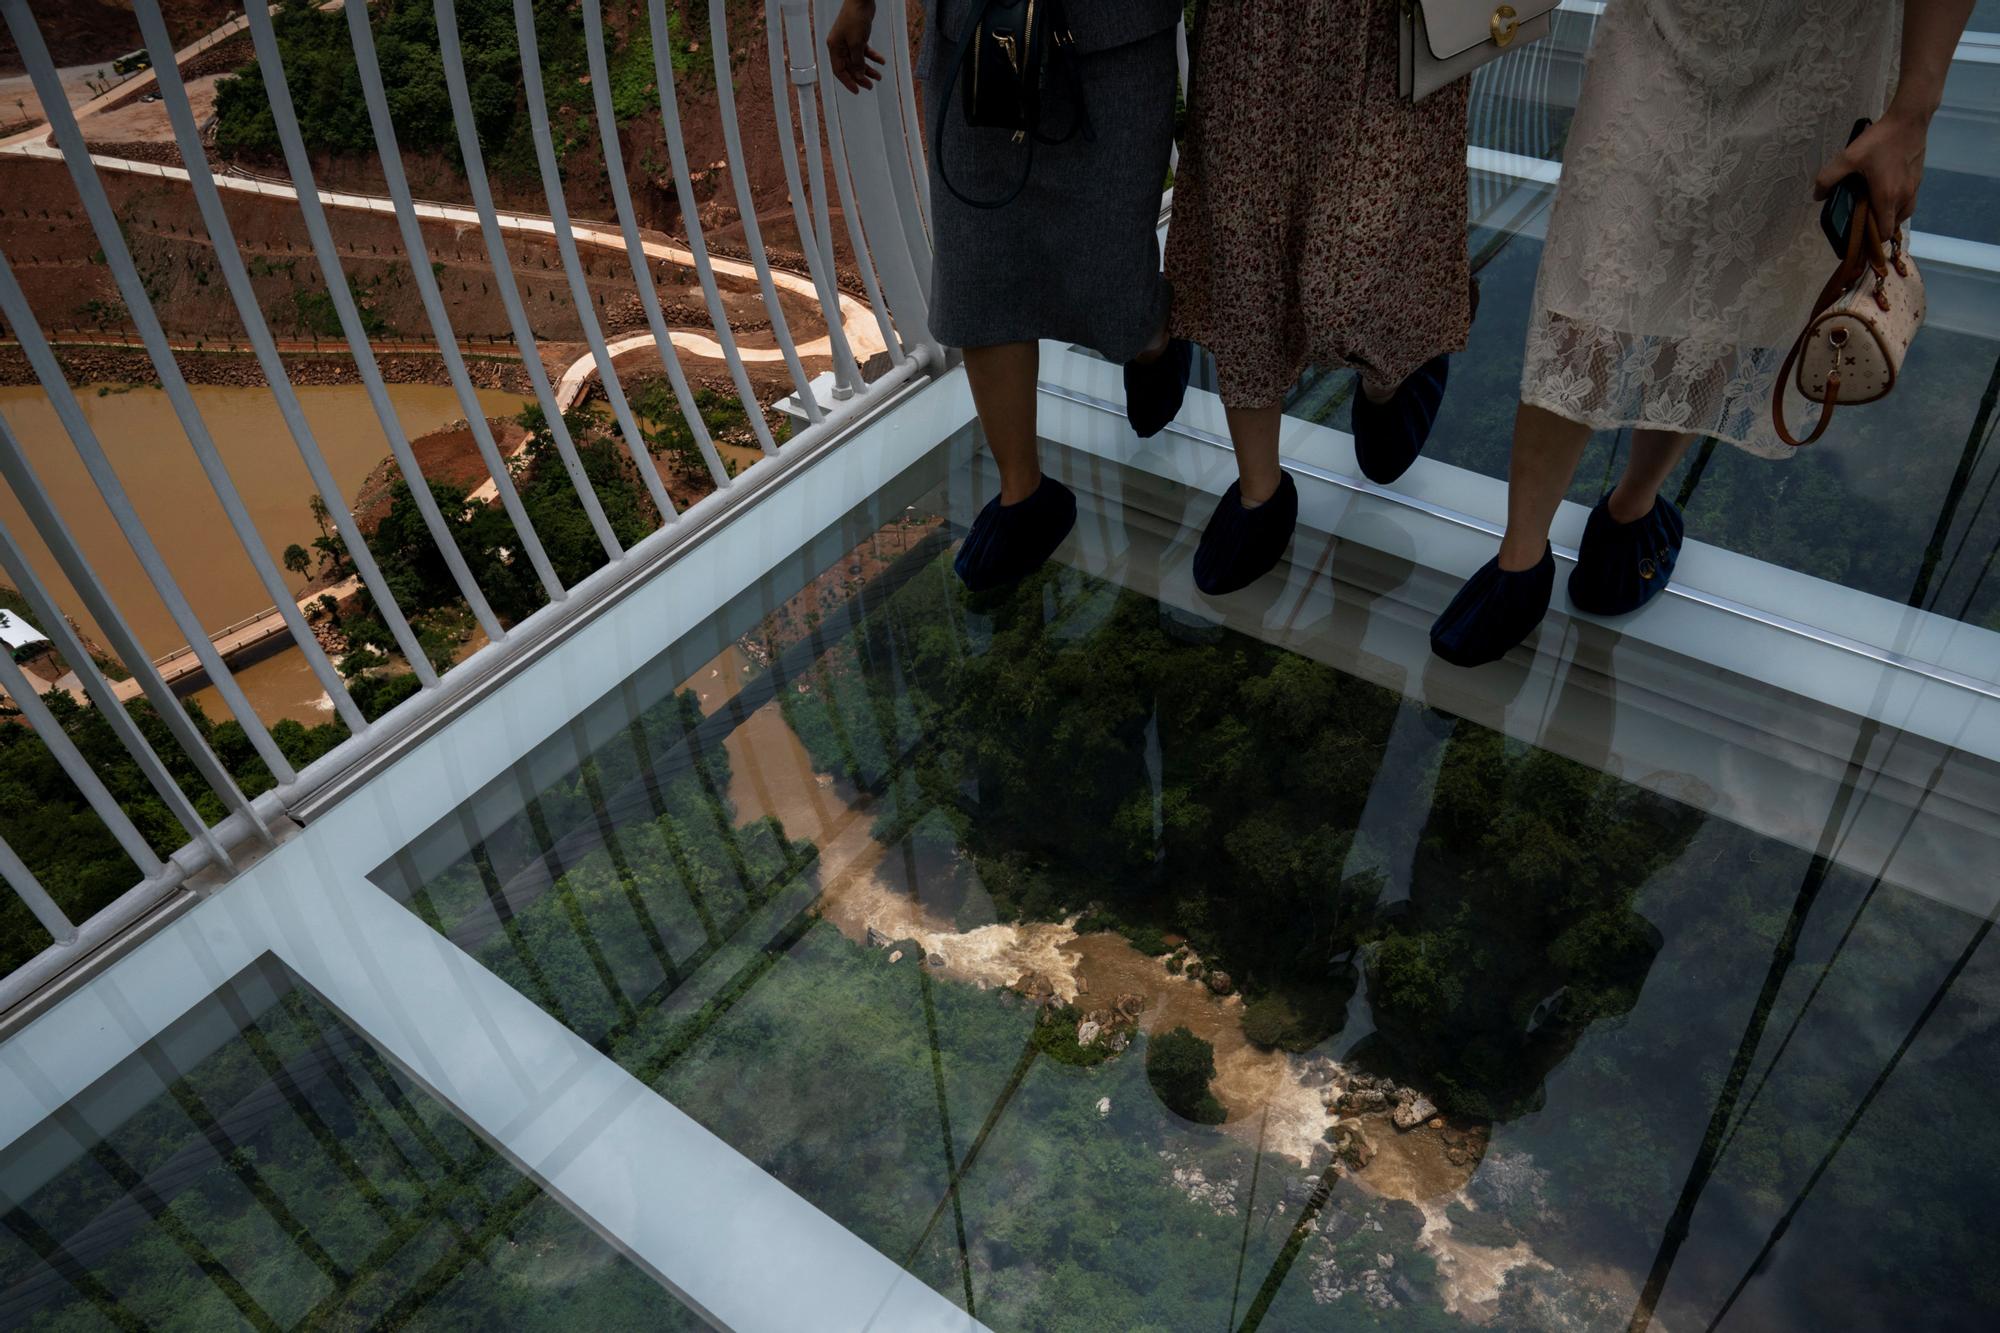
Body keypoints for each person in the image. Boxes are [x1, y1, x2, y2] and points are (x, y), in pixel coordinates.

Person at [1431, 0, 1976, 667]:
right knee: (1592, 270)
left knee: (1726, 289)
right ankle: (1521, 556)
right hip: (1663, 21)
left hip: (1823, 45)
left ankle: (1633, 503)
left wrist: (1912, 114)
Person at [828, 0, 1190, 591]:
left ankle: (1153, 341)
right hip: (983, 30)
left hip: (1112, 38)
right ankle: (1023, 495)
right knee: (981, 266)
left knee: (1113, 269)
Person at [1162, 0, 1473, 595]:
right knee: (1244, 242)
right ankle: (1260, 488)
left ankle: (1395, 361)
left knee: (1356, 268)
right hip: (1252, 20)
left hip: (1392, 20)